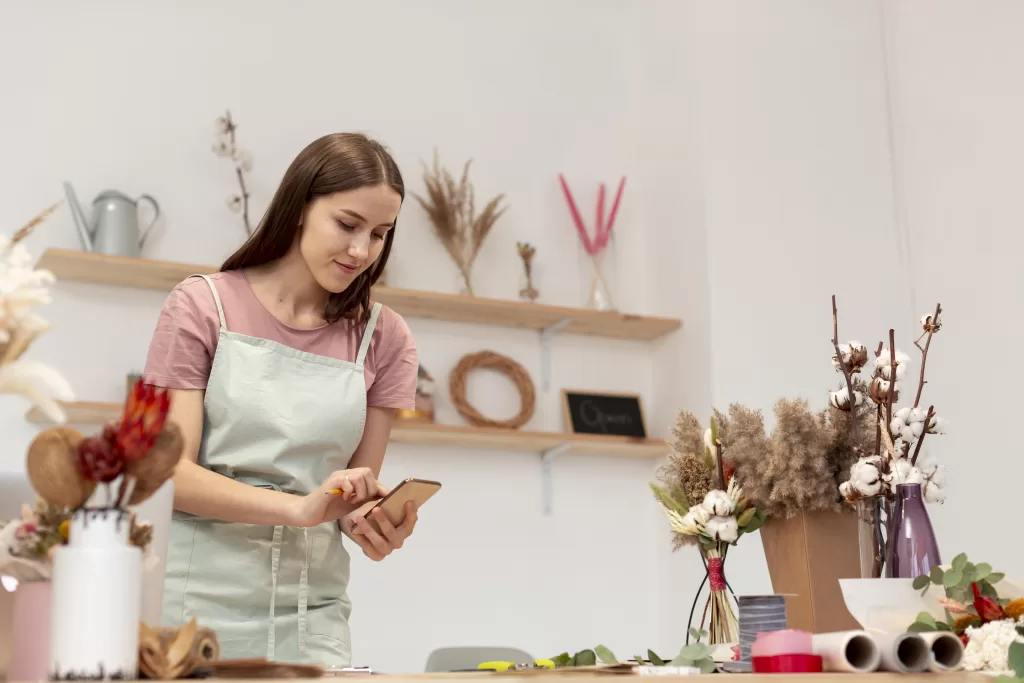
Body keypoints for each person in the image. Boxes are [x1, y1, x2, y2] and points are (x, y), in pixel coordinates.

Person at [141, 133, 419, 667]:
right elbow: (168, 473)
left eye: (380, 234)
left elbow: (349, 498)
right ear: (299, 207)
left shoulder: (386, 338)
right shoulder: (203, 306)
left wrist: (373, 522)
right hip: (191, 609)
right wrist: (299, 509)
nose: (362, 251)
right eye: (347, 224)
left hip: (312, 614)